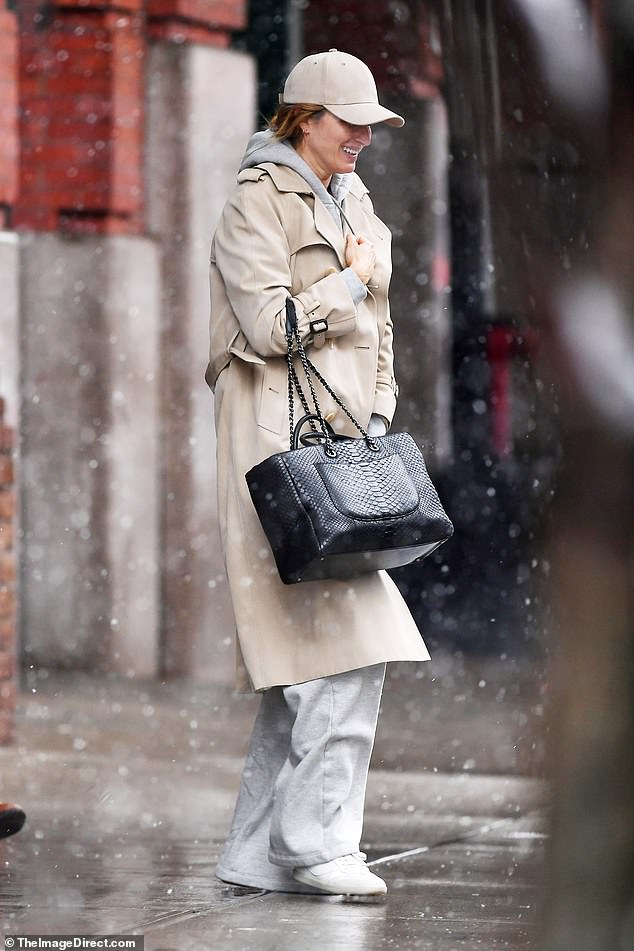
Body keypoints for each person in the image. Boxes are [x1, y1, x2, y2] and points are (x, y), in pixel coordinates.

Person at [206, 49, 430, 897]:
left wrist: (377, 416)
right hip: (277, 462)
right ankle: (314, 840)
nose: (366, 138)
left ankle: (258, 853)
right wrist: (348, 279)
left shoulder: (358, 201)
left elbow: (382, 331)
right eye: (352, 123)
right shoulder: (253, 205)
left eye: (373, 125)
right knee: (351, 648)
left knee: (310, 659)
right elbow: (268, 328)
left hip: (343, 460)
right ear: (304, 118)